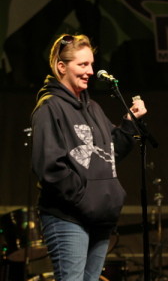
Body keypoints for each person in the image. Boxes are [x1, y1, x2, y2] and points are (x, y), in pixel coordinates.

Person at [31, 34, 147, 281]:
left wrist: (129, 124)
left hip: (99, 219)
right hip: (68, 217)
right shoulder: (49, 107)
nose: (91, 71)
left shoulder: (92, 107)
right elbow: (50, 168)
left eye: (91, 64)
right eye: (82, 65)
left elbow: (109, 153)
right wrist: (86, 198)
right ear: (61, 67)